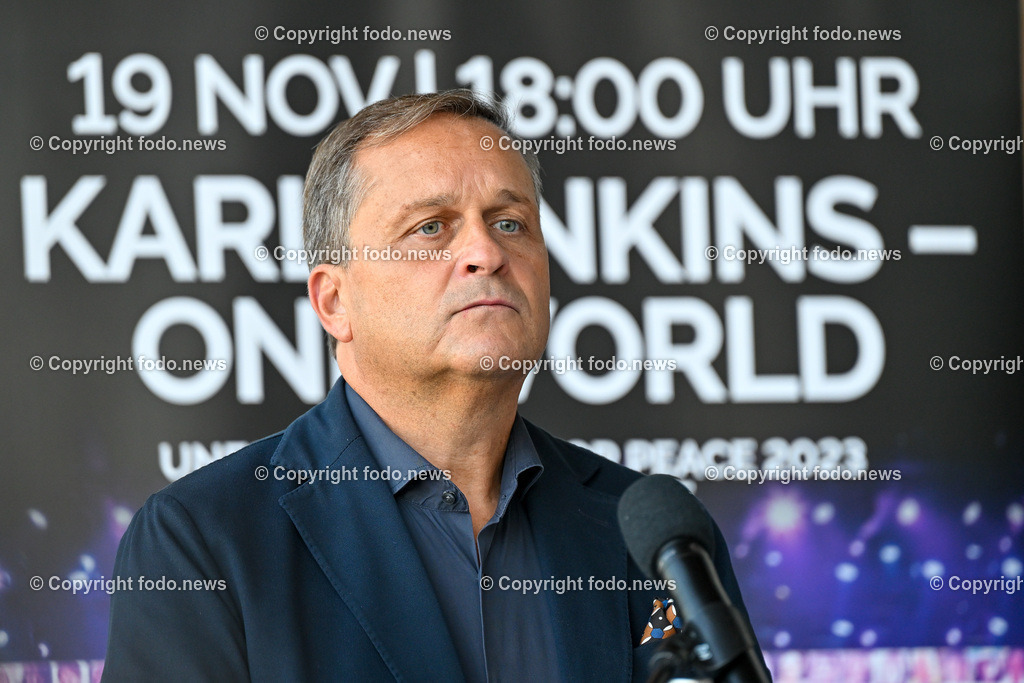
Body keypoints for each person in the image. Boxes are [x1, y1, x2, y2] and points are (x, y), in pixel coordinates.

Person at [103, 90, 761, 681]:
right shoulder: (203, 539)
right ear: (335, 302)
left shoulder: (651, 537)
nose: (486, 252)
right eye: (431, 227)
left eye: (510, 222)